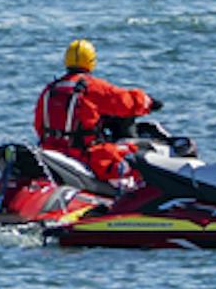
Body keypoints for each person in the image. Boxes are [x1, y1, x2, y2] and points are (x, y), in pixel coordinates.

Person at [30, 40, 160, 185]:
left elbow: (39, 125)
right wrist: (148, 102)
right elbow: (124, 101)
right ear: (91, 61)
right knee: (135, 161)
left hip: (51, 150)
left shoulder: (50, 90)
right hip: (84, 155)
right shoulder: (90, 87)